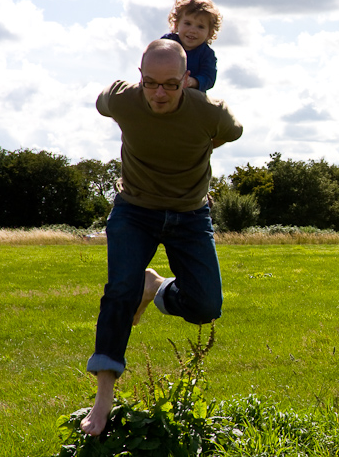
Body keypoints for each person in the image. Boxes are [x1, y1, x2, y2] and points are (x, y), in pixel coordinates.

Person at [80, 39, 243, 436]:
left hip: (190, 214)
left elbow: (232, 132)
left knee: (205, 306)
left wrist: (197, 142)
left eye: (170, 84)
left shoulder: (209, 113)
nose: (159, 93)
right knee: (119, 291)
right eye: (150, 82)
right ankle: (103, 400)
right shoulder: (124, 100)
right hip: (135, 210)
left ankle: (156, 287)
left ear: (187, 79)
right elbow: (102, 99)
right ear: (140, 77)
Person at [161, 0, 222, 92]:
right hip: (163, 89)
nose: (193, 30)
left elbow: (209, 77)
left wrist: (193, 82)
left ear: (209, 33)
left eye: (200, 27)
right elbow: (153, 59)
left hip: (191, 95)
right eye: (187, 24)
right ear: (176, 25)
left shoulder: (206, 54)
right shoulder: (167, 43)